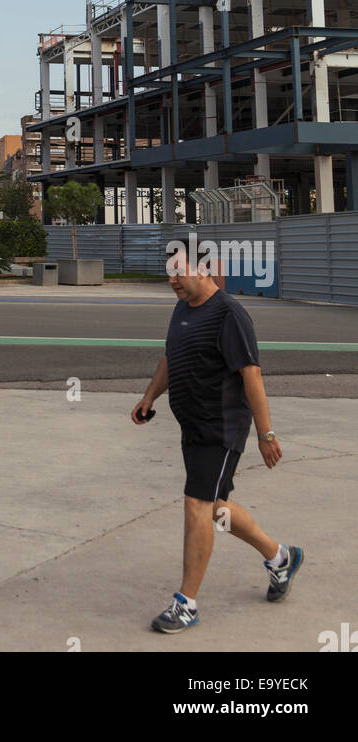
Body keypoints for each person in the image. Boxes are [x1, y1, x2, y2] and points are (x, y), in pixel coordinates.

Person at [132, 255, 303, 632]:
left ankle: (186, 603)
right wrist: (150, 398)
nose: (174, 281)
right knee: (215, 508)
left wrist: (266, 433)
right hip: (192, 427)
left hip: (221, 427)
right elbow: (171, 357)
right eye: (169, 275)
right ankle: (280, 558)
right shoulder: (182, 310)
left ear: (204, 269)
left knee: (196, 504)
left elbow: (251, 374)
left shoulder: (229, 314)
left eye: (180, 272)